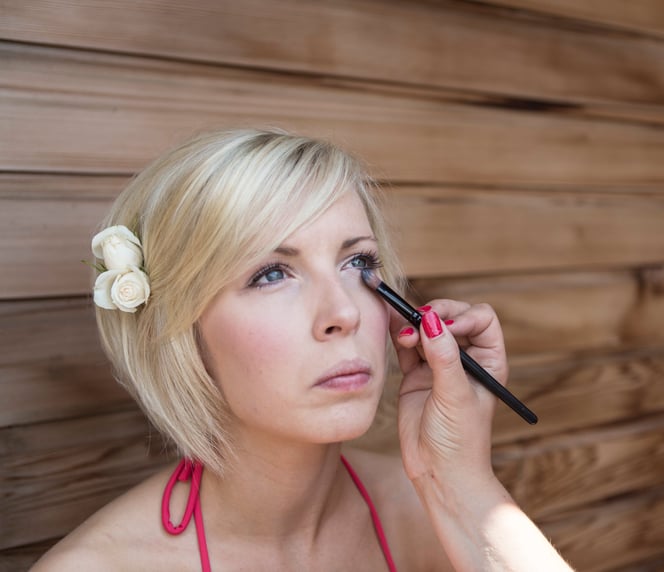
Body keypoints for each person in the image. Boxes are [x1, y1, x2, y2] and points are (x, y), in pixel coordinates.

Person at [31, 128, 573, 571]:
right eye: (271, 273)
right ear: (179, 328)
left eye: (358, 263)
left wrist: (459, 482)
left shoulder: (435, 511)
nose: (345, 312)